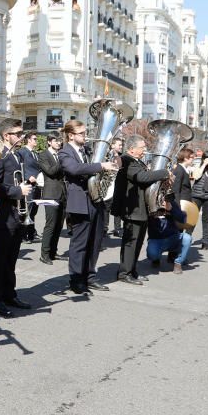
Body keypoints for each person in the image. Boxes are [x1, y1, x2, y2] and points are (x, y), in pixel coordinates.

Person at [58, 119, 117, 294]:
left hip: (95, 200)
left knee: (95, 242)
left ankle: (89, 276)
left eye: (85, 132)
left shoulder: (87, 150)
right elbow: (75, 169)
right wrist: (100, 166)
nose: (86, 135)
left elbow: (93, 167)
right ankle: (76, 279)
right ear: (71, 135)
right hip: (80, 203)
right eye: (82, 133)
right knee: (79, 244)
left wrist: (111, 162)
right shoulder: (64, 152)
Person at [0, 118, 33, 317]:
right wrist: (17, 190)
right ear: (7, 136)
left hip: (17, 214)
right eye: (18, 134)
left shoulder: (17, 155)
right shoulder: (0, 156)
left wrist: (25, 183)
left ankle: (9, 293)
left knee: (11, 258)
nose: (21, 137)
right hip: (4, 216)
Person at [111, 134, 168, 285]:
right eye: (142, 148)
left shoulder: (135, 161)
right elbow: (141, 177)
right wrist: (164, 173)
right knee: (131, 243)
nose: (145, 150)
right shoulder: (126, 160)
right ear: (131, 149)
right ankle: (124, 273)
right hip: (132, 209)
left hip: (140, 209)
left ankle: (132, 271)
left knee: (138, 242)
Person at [36, 130, 67, 264]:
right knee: (50, 224)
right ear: (49, 142)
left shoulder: (60, 154)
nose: (59, 143)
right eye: (56, 141)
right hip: (50, 194)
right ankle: (45, 254)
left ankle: (53, 252)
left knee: (59, 225)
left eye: (60, 141)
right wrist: (61, 159)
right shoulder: (43, 155)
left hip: (62, 193)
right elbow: (50, 171)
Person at [145, 195, 191, 274]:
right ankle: (156, 258)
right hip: (156, 239)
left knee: (187, 238)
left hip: (173, 237)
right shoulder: (150, 204)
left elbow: (183, 219)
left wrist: (171, 209)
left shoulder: (171, 203)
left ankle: (178, 262)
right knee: (152, 254)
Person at [18, 132, 41, 242]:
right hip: (28, 184)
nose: (36, 141)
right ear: (28, 140)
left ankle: (31, 233)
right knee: (27, 210)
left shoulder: (36, 153)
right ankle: (23, 234)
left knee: (34, 211)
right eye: (35, 139)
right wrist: (27, 178)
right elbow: (20, 167)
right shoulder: (22, 152)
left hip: (37, 185)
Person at [105, 137, 125, 236]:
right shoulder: (105, 154)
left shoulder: (121, 156)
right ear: (112, 145)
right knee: (106, 208)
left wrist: (117, 156)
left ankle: (117, 228)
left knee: (117, 206)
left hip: (116, 185)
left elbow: (120, 167)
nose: (121, 147)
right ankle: (104, 228)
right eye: (119, 145)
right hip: (107, 185)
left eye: (121, 145)